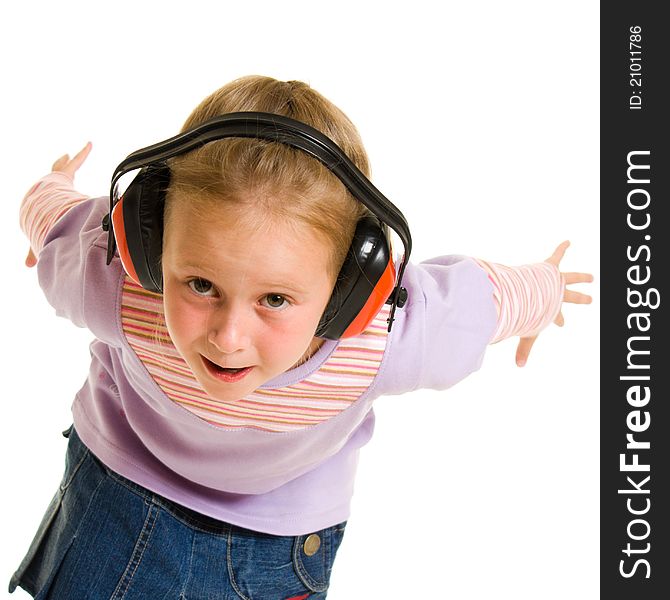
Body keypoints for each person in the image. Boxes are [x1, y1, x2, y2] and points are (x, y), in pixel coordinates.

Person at [10, 75, 593, 599]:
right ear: (148, 243)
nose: (229, 335)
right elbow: (57, 220)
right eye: (200, 284)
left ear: (353, 292)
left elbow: (484, 300)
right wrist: (51, 184)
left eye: (275, 299)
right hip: (116, 494)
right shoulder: (114, 280)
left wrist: (544, 291)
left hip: (276, 546)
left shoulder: (384, 337)